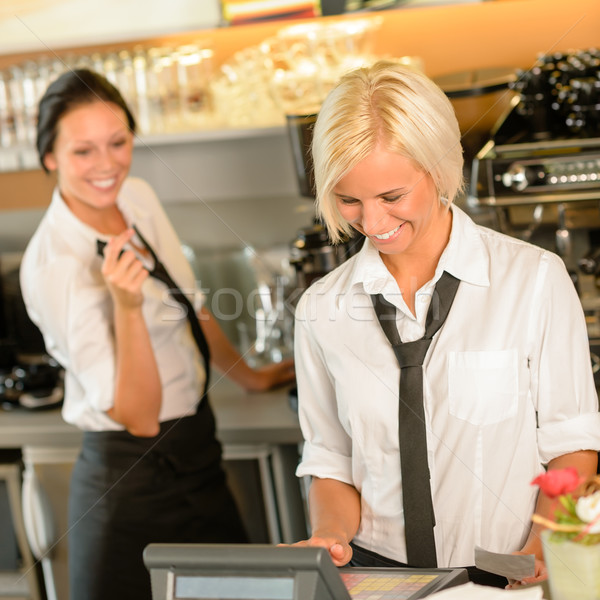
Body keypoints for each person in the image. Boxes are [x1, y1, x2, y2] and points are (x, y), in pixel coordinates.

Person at [292, 60, 600, 588]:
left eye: (391, 197)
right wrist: (329, 537)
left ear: (438, 169)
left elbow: (571, 441)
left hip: (503, 577)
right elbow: (332, 461)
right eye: (349, 201)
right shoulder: (321, 308)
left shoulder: (533, 280)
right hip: (378, 581)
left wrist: (541, 541)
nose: (372, 223)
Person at [20, 68, 295, 600]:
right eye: (83, 151)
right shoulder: (53, 265)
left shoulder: (137, 197)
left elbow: (186, 302)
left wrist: (249, 377)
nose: (107, 166)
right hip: (130, 483)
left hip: (196, 455)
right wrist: (125, 306)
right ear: (50, 157)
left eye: (118, 142)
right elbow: (139, 416)